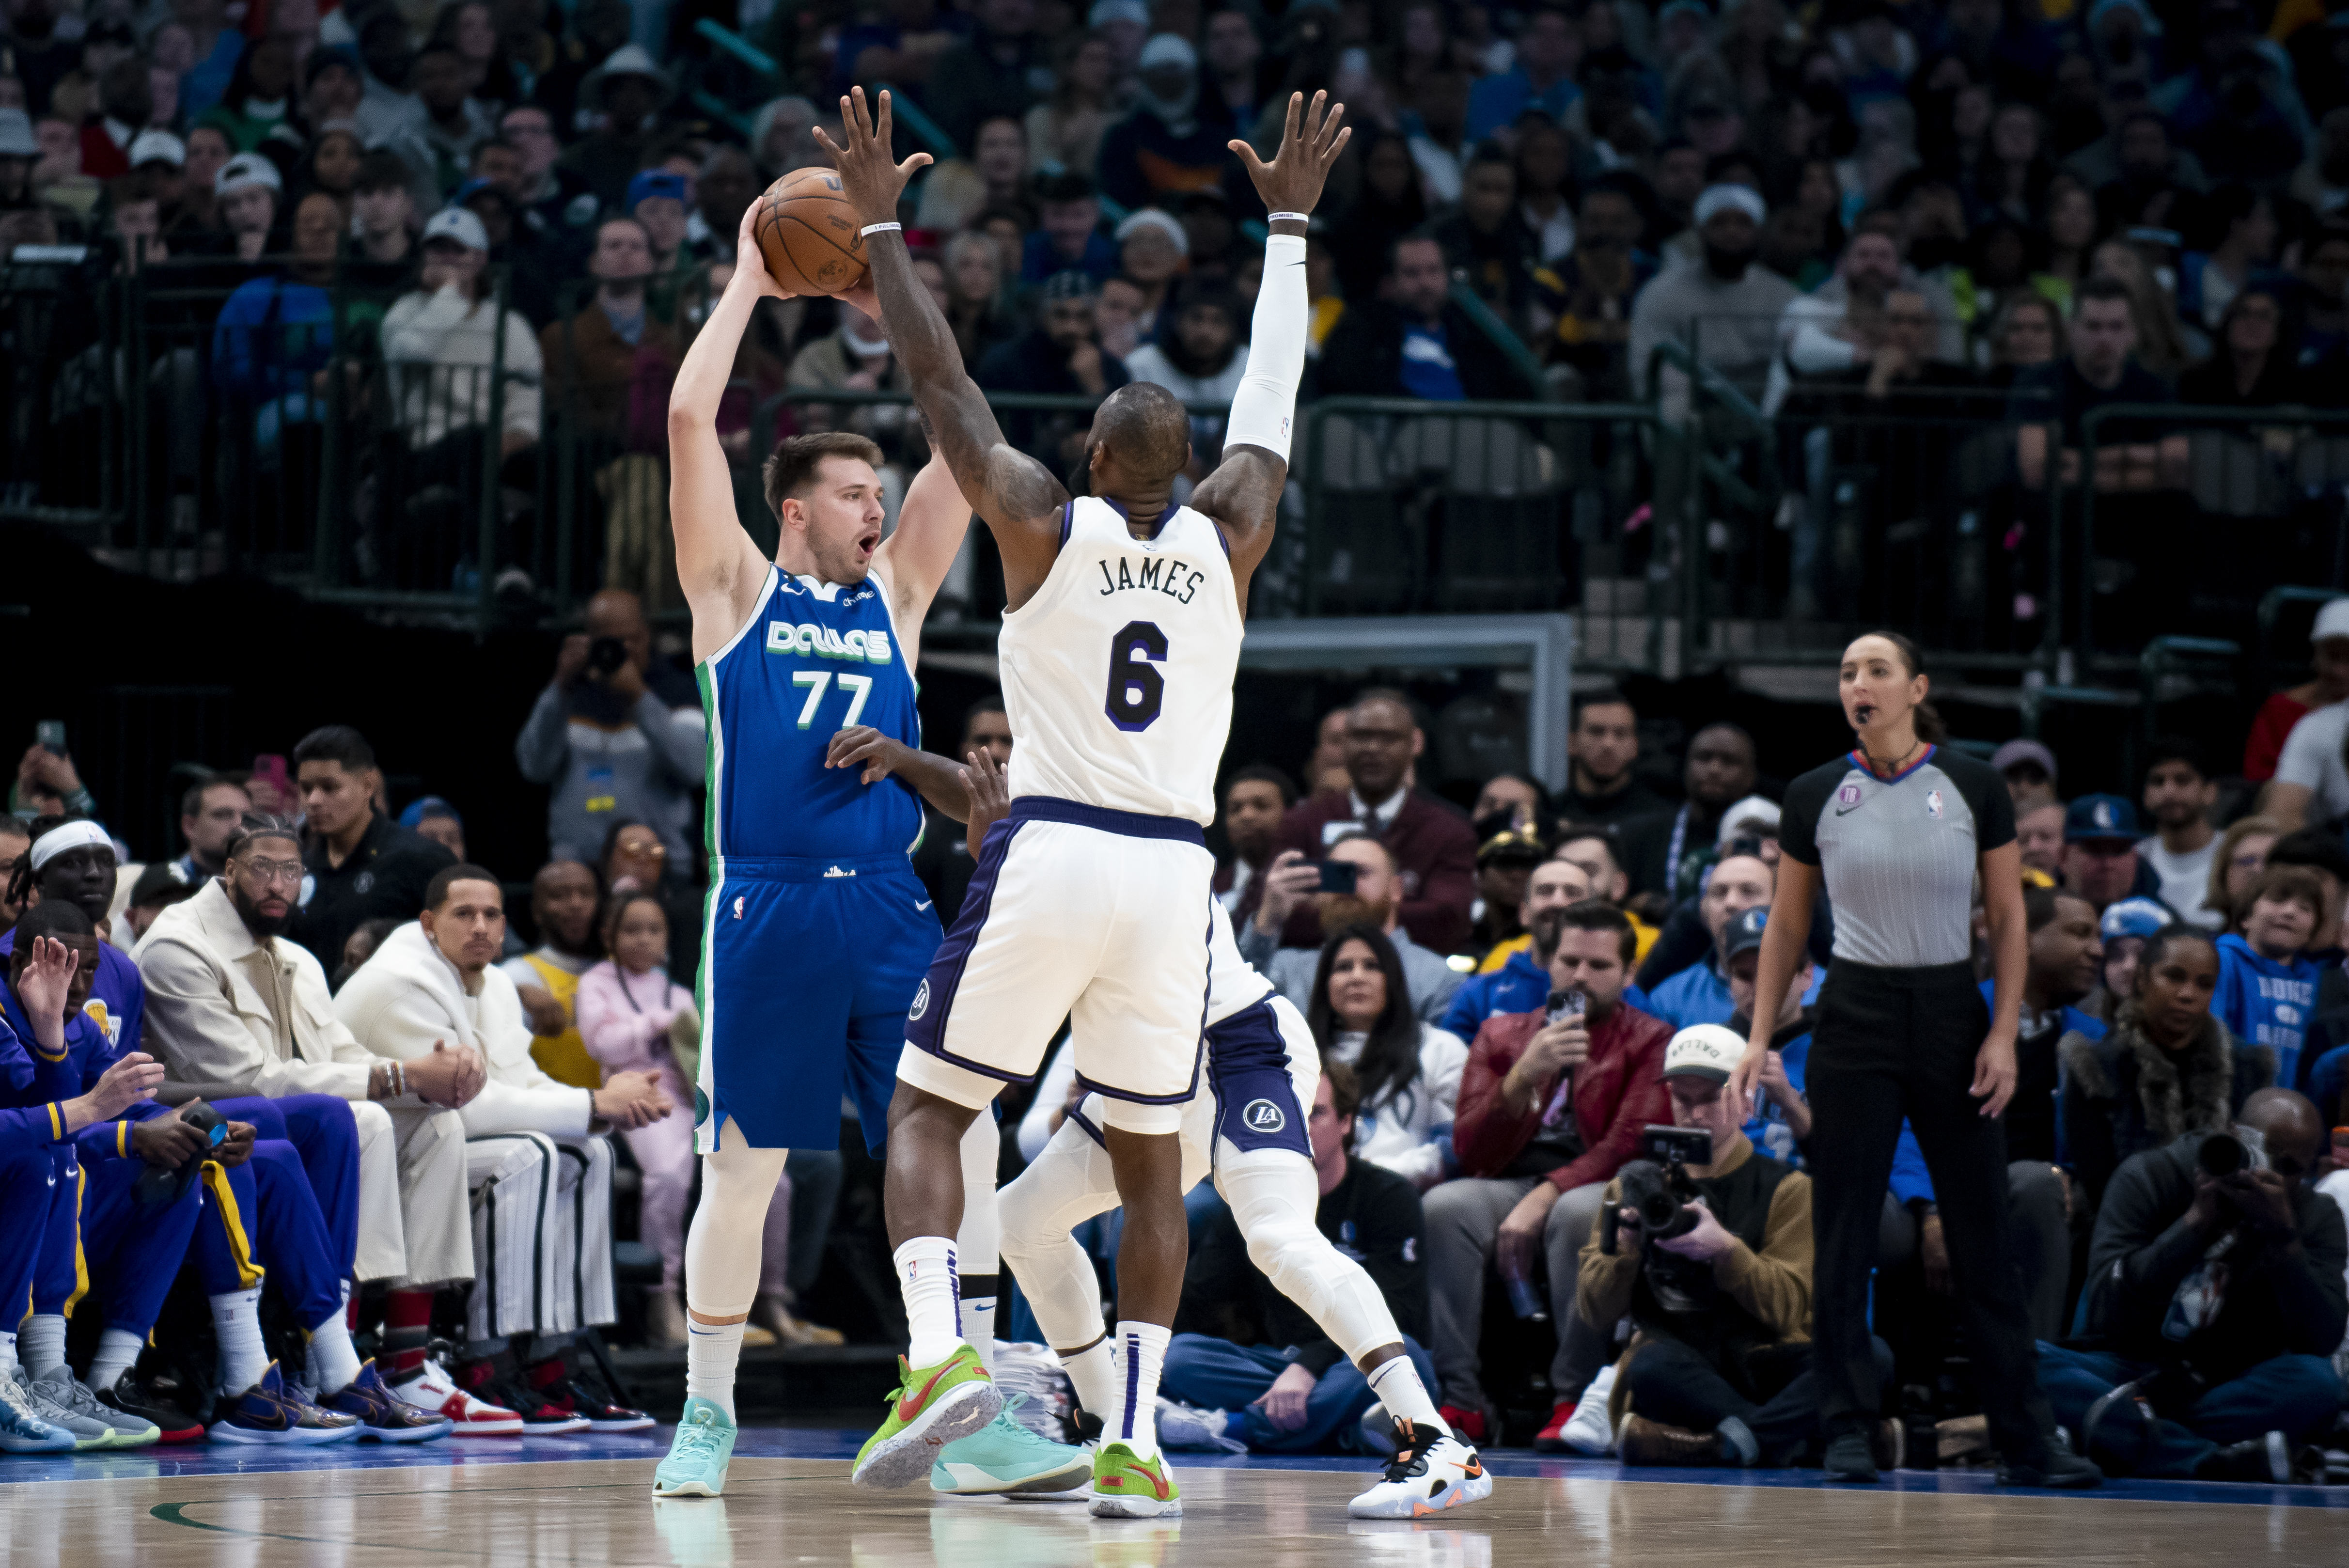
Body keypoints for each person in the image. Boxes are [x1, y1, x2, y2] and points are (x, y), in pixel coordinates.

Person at [817, 84, 1342, 1516]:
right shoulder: (1232, 532)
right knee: (1151, 1157)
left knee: (929, 1106)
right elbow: (1273, 401)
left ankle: (937, 1354)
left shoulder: (1039, 518)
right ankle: (1136, 1439)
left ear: (1099, 462)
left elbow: (940, 388)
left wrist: (879, 223)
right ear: (1189, 476)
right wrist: (1286, 226)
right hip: (1179, 879)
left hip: (1052, 850)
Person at [653, 97, 1012, 1494]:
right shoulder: (734, 595)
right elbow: (691, 414)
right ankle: (705, 1411)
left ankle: (974, 1394)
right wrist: (757, 265)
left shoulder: (904, 598)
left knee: (953, 1147)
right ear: (793, 505)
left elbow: (961, 431)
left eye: (880, 489)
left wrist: (881, 256)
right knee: (744, 1174)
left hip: (888, 907)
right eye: (855, 490)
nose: (880, 505)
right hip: (770, 910)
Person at [1728, 632, 2099, 1488]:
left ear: (1914, 687)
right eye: (1847, 672)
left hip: (1949, 1012)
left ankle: (2024, 1437)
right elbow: (1786, 926)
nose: (1858, 683)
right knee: (1843, 1232)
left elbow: (2008, 920)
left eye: (1876, 670)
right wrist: (1755, 1038)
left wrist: (2001, 1031)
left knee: (1980, 1232)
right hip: (1852, 1013)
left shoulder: (1970, 783)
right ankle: (1846, 1427)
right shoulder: (1815, 792)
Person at [996, 873, 1487, 1516]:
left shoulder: (1127, 823)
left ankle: (1434, 1442)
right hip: (1152, 1061)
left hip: (1237, 1045)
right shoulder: (1040, 839)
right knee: (1022, 1220)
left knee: (1279, 1238)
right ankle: (1107, 1430)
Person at [135, 814, 513, 1432]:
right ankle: (330, 1355)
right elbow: (252, 1080)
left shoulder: (296, 958)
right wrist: (401, 1077)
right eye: (263, 868)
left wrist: (428, 1077)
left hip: (287, 1124)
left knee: (435, 1125)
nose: (279, 884)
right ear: (227, 871)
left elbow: (340, 1056)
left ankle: (404, 1357)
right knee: (361, 1118)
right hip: (205, 1127)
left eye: (292, 870)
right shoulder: (179, 947)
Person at [334, 865, 661, 1433]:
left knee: (592, 1153)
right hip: (375, 1156)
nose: (481, 926)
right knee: (529, 1155)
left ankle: (552, 1362)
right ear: (430, 923)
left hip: (428, 1148)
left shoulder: (492, 982)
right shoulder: (403, 981)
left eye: (491, 914)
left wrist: (600, 1103)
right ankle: (488, 1358)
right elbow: (466, 1105)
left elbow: (521, 1078)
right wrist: (594, 1103)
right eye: (465, 914)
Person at [1427, 900, 1674, 1445]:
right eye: (1569, 961)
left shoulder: (1652, 1038)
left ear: (1630, 974)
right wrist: (1521, 1076)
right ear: (1549, 963)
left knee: (1579, 1211)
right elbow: (1469, 1151)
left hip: (1592, 1183)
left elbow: (1630, 1142)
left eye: (1600, 965)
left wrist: (1547, 1192)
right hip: (1509, 1181)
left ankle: (1577, 1397)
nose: (1581, 975)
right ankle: (1460, 1400)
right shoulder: (1501, 1033)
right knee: (1445, 1205)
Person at [1579, 1023, 1854, 1469]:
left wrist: (1728, 1251)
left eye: (1710, 1098)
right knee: (1648, 1367)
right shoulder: (1631, 1186)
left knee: (1864, 1355)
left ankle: (1721, 1443)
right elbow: (1594, 1313)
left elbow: (1788, 1311)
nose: (1695, 1115)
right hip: (1680, 1364)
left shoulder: (1787, 1189)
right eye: (1682, 1100)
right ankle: (1792, 1440)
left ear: (1747, 1099)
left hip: (1764, 1360)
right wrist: (1625, 1250)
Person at [2041, 1091, 2345, 1482]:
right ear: (2233, 1134)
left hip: (2226, 1381)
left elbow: (2322, 1341)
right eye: (2261, 1153)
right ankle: (2207, 1460)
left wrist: (2285, 1242)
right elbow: (2105, 1310)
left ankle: (2113, 1435)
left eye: (2289, 1168)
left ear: (2308, 1173)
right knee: (2027, 1363)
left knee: (2317, 1383)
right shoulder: (2153, 1176)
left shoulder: (2315, 1216)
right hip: (2129, 1367)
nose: (2270, 1173)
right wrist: (2194, 1227)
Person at [1157, 1060, 1445, 1457]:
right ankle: (1348, 1433)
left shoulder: (1387, 1197)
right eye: (1290, 1112)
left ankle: (1234, 1428)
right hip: (1278, 1369)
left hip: (1359, 1366)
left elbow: (1398, 1313)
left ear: (1347, 1123)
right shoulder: (1253, 1201)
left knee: (1408, 1357)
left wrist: (1309, 1368)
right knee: (1180, 1357)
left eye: (1316, 1113)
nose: (1300, 1125)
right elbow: (1197, 1294)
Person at [2062, 924, 2278, 1216]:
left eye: (2204, 984)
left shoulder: (2250, 1067)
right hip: (2126, 1231)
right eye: (2174, 977)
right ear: (2142, 979)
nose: (2188, 994)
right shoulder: (2095, 1068)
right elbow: (2098, 1185)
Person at [1266, 690, 1478, 953]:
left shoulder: (1449, 830)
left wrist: (1336, 906)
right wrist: (1390, 907)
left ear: (1415, 744)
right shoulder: (1302, 822)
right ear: (1343, 745)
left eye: (1388, 739)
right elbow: (1281, 914)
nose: (1372, 748)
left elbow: (1449, 921)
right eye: (1360, 737)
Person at [515, 588, 706, 866]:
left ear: (646, 635)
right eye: (609, 641)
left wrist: (638, 697)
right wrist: (561, 686)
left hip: (656, 869)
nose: (620, 650)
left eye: (628, 640)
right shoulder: (570, 695)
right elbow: (533, 766)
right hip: (578, 874)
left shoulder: (679, 692)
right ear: (589, 640)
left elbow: (693, 768)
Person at [1300, 925, 1466, 1187]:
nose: (1357, 977)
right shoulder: (1296, 1056)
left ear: (1394, 979)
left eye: (1372, 966)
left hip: (1403, 1193)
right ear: (1325, 984)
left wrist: (1373, 1179)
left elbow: (1451, 1147)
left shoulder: (1440, 1049)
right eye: (1343, 967)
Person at [1243, 834, 1463, 1024]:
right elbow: (1232, 1005)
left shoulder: (1438, 979)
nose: (1347, 886)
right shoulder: (1286, 970)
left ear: (1396, 890)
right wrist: (1268, 921)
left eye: (1361, 873)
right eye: (1336, 874)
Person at [287, 726, 457, 971]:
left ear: (368, 787)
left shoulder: (421, 858)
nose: (313, 800)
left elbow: (458, 942)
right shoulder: (299, 868)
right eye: (306, 789)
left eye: (329, 788)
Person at [2010, 275, 2187, 495]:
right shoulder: (2040, 382)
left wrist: (2081, 462)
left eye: (2116, 327)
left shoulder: (2155, 387)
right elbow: (2036, 472)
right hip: (2058, 520)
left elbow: (2178, 465)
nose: (2105, 338)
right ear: (2072, 330)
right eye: (2093, 327)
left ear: (2132, 334)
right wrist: (2143, 464)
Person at [1629, 184, 1799, 406]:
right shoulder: (1662, 292)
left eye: (1743, 222)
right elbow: (1645, 368)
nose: (1732, 231)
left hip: (1763, 407)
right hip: (1691, 410)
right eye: (1719, 222)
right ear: (1700, 231)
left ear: (1759, 232)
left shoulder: (1783, 296)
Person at [1318, 232, 1535, 401]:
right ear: (1391, 282)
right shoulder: (1363, 329)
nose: (1425, 283)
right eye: (1412, 273)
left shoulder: (1474, 329)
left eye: (1434, 271)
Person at [1443, 856, 1595, 1035]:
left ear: (1596, 914)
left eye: (1572, 893)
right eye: (1545, 891)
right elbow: (1452, 1060)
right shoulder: (1479, 993)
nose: (1558, 902)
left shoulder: (1616, 992)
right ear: (1524, 913)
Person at [1616, 723, 1760, 901]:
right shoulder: (1637, 834)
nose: (1714, 769)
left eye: (1729, 761)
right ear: (1685, 766)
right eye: (1704, 758)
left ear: (1751, 776)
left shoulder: (1765, 846)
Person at [2213, 868, 2326, 1092]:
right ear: (2246, 917)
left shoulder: (2318, 981)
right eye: (2277, 900)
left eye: (2305, 908)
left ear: (2311, 933)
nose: (2290, 912)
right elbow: (2213, 1033)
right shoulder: (2224, 960)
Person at [1642, 853, 1778, 1028]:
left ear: (1780, 906)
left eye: (1749, 891)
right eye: (1720, 893)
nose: (1731, 903)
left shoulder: (1819, 993)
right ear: (1703, 912)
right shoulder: (1669, 1000)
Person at [910, 697, 1016, 923]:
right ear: (964, 747)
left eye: (1007, 741)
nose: (995, 752)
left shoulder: (1043, 827)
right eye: (983, 740)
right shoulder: (929, 832)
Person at [500, 860, 603, 1089]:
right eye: (559, 895)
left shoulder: (621, 971)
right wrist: (514, 992)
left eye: (586, 894)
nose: (576, 904)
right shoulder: (517, 975)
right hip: (549, 1117)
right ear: (537, 911)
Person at [2244, 598, 2349, 788]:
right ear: (2316, 654)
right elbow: (2257, 780)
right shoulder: (2280, 709)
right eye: (2333, 656)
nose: (2340, 670)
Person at [2138, 738, 2222, 928]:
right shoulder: (2136, 859)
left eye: (2182, 780)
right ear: (2146, 796)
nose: (2169, 791)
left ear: (2210, 792)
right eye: (2158, 782)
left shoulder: (2235, 854)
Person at [1560, 689, 1664, 825]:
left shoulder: (1659, 821)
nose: (1608, 745)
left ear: (1635, 746)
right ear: (1572, 743)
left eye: (1621, 734)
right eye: (1596, 732)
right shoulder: (1549, 815)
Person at [1212, 764, 1292, 915]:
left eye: (1261, 806)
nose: (1246, 816)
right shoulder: (1208, 888)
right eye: (1235, 809)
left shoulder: (1308, 883)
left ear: (1290, 814)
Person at [175, 774, 251, 880]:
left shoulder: (264, 888)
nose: (239, 824)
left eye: (246, 817)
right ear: (190, 827)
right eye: (223, 814)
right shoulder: (160, 887)